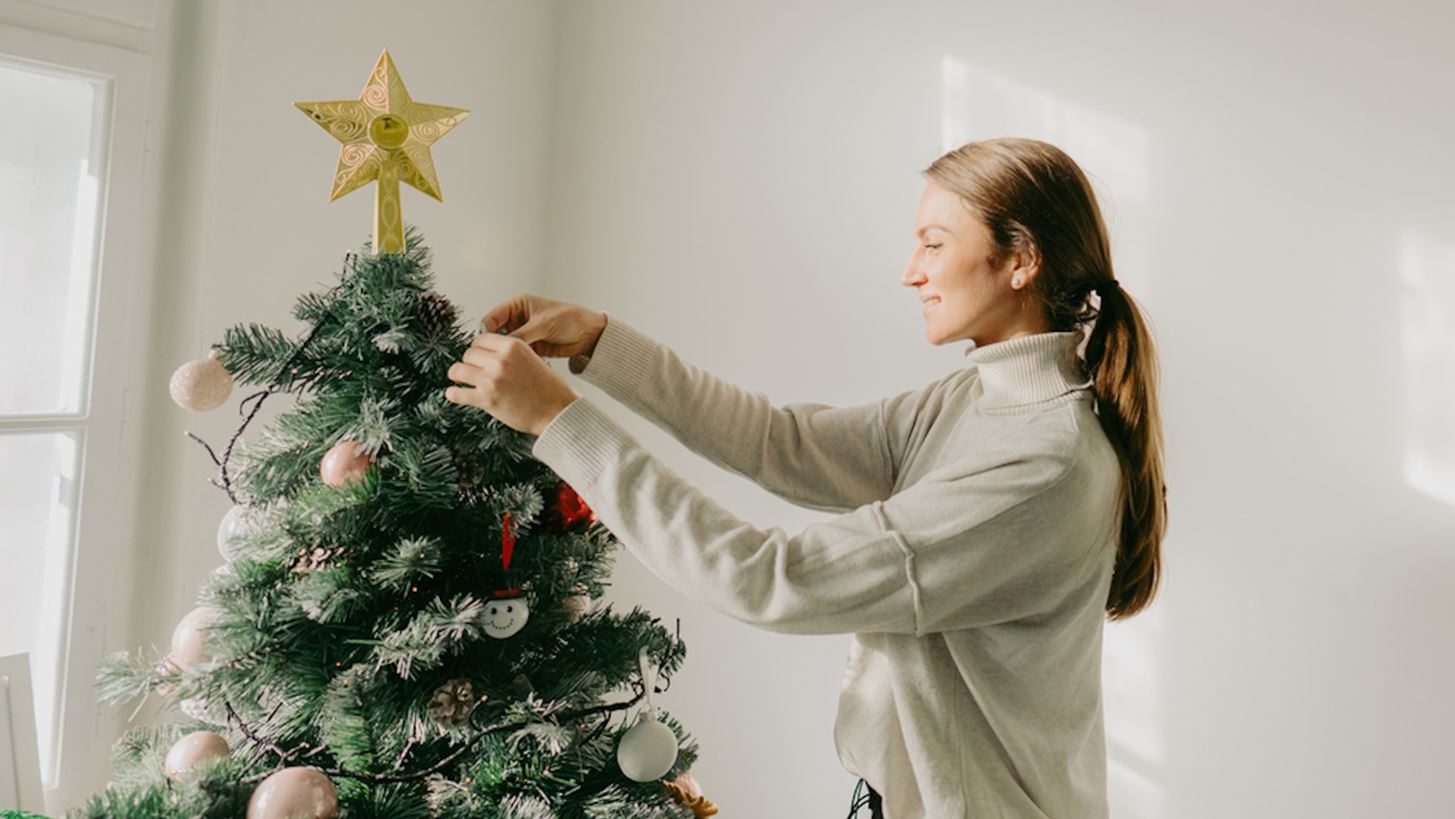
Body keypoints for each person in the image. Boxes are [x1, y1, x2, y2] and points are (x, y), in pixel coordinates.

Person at [443, 136, 1168, 819]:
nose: (909, 270)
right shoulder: (972, 400)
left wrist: (561, 424)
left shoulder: (1042, 464)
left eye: (933, 244)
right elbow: (777, 441)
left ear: (1020, 260)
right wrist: (602, 342)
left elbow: (769, 578)